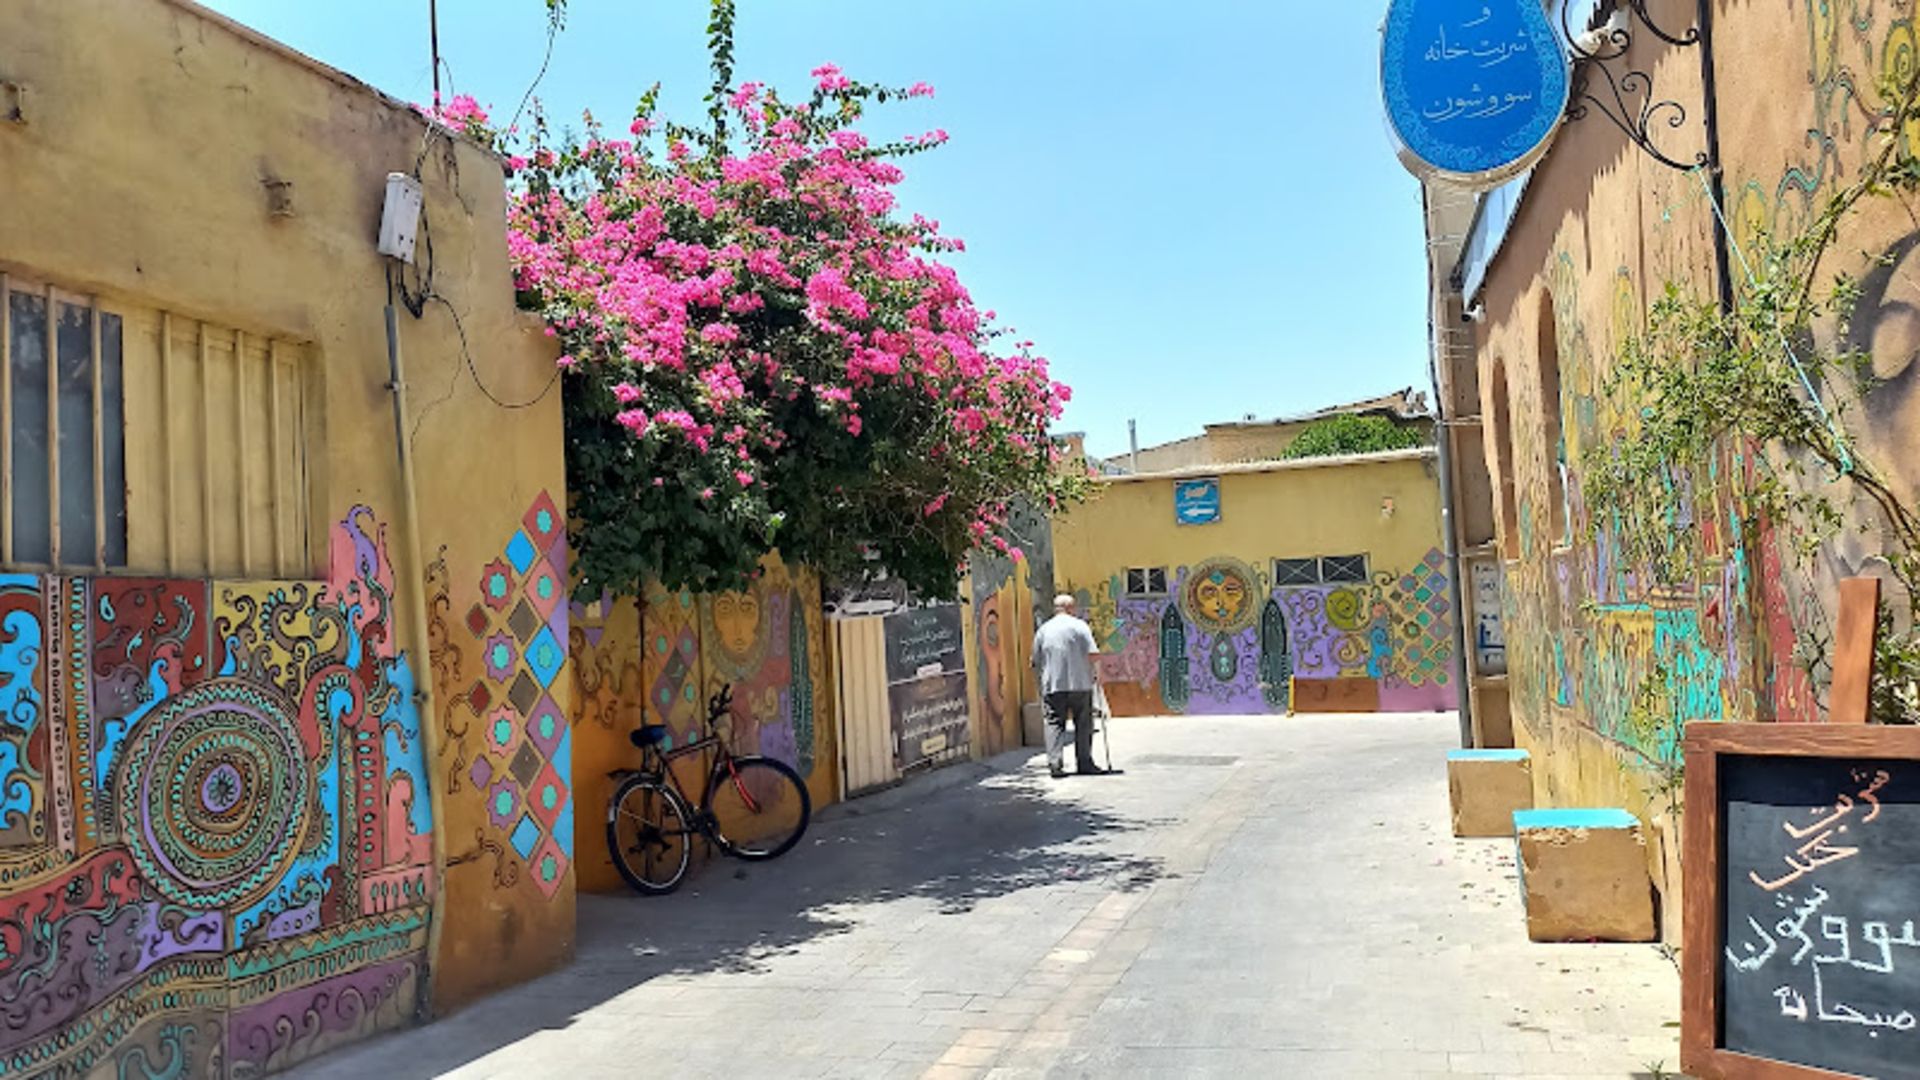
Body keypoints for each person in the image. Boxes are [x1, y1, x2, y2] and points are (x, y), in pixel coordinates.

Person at [1032, 593, 1105, 779]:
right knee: (1083, 723)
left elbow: (1035, 660)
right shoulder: (1080, 627)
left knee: (1054, 723)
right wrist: (1097, 674)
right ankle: (1084, 763)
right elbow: (1093, 654)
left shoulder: (1044, 630)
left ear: (1056, 608)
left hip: (1053, 684)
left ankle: (1055, 763)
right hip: (1080, 683)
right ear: (1071, 608)